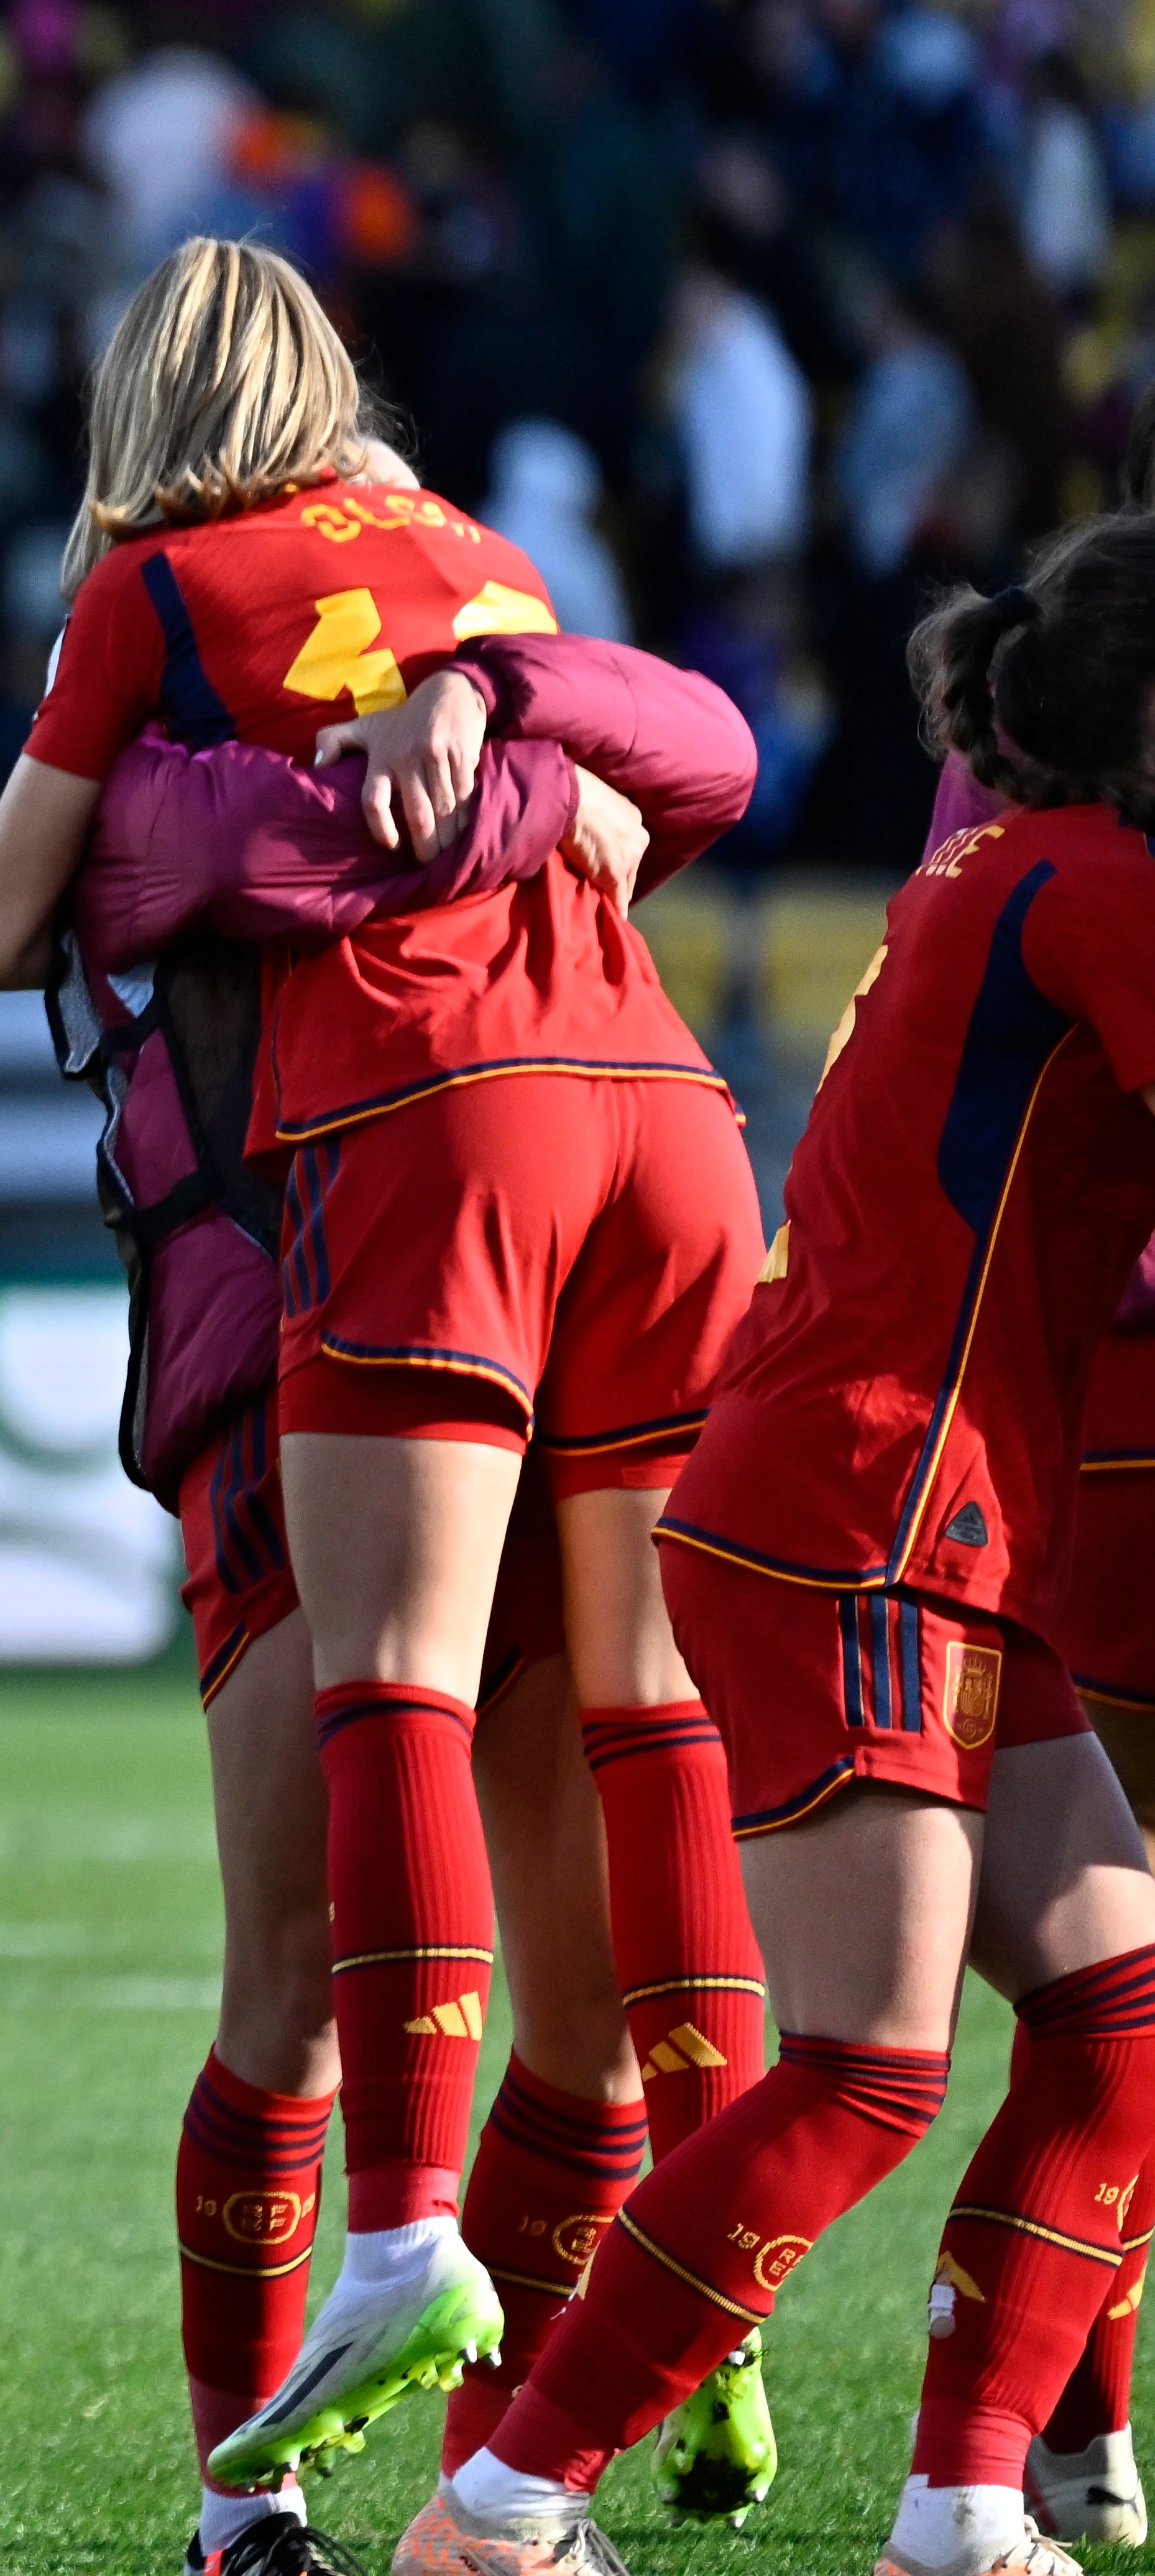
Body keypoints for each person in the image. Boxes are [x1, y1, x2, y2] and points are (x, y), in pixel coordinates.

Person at [0, 237, 764, 2488]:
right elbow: (681, 764)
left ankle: (429, 2474)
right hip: (540, 1197)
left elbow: (6, 921)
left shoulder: (150, 602)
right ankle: (325, 2484)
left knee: (325, 1954)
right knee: (554, 1939)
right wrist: (497, 767)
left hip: (348, 1253)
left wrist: (243, 832)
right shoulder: (480, 591)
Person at [400, 516, 1155, 2576]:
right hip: (872, 1508)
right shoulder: (1101, 893)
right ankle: (500, 2506)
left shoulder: (1016, 874)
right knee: (868, 2062)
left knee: (1120, 2015)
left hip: (907, 1505)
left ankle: (965, 2500)